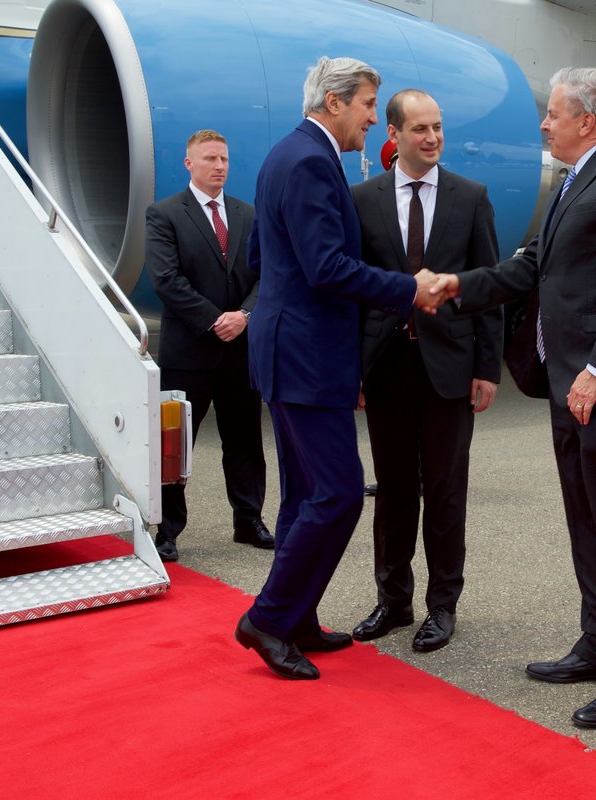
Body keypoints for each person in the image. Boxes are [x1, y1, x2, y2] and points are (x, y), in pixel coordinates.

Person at [431, 67, 596, 728]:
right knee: (589, 524)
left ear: (588, 120)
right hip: (568, 383)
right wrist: (458, 285)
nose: (543, 123)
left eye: (553, 113)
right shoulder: (577, 178)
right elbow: (529, 267)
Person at [235, 56, 445, 680]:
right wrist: (409, 288)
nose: (372, 119)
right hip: (304, 355)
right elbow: (326, 267)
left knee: (306, 496)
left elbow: (259, 252)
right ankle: (268, 619)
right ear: (334, 103)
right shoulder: (307, 160)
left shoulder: (291, 155)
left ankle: (295, 616)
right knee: (338, 493)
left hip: (296, 348)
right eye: (366, 106)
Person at [350, 89, 502, 652]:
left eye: (437, 127)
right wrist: (353, 371)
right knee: (392, 490)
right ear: (394, 134)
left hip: (450, 367)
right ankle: (393, 600)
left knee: (444, 490)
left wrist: (486, 366)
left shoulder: (470, 197)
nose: (433, 138)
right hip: (385, 366)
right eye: (420, 129)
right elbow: (352, 292)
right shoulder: (362, 199)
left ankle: (442, 605)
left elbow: (487, 286)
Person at [145, 129, 271, 563]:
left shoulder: (247, 215)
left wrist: (245, 317)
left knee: (245, 441)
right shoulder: (164, 215)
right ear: (189, 164)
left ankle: (248, 520)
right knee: (174, 445)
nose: (219, 166)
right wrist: (213, 320)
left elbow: (265, 275)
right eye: (210, 158)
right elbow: (166, 279)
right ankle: (167, 530)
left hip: (240, 350)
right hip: (189, 354)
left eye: (224, 159)